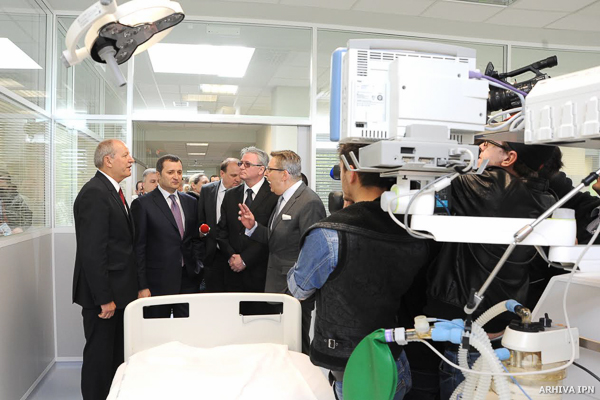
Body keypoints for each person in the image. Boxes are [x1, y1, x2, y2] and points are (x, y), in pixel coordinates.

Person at [287, 143, 431, 400]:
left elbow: (299, 289)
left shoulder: (330, 233)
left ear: (351, 172)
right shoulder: (413, 229)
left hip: (356, 372)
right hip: (396, 360)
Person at [420, 140, 557, 399]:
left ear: (509, 158)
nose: (480, 146)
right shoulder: (545, 196)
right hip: (502, 316)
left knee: (463, 389)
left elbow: (434, 173)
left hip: (465, 315)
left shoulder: (489, 184)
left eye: (488, 143)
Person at [238, 150, 326, 354]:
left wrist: (300, 291)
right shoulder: (283, 198)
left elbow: (314, 252)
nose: (266, 174)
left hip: (294, 291)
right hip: (277, 285)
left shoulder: (309, 202)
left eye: (270, 170)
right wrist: (253, 227)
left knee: (297, 345)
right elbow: (277, 239)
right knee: (282, 344)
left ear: (284, 174)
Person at [72, 139, 138, 400]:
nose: (131, 160)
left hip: (117, 293)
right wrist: (104, 298)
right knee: (99, 361)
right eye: (126, 155)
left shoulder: (112, 191)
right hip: (104, 297)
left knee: (114, 359)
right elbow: (92, 252)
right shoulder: (95, 193)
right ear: (108, 160)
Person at [131, 155, 204, 318]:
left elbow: (194, 239)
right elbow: (139, 247)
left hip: (188, 279)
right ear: (158, 175)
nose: (176, 176)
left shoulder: (190, 202)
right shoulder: (143, 204)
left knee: (187, 327)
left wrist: (198, 265)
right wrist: (142, 285)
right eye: (170, 172)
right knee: (157, 328)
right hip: (157, 282)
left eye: (179, 172)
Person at [216, 147, 278, 292]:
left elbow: (273, 235)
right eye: (241, 163)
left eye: (247, 164)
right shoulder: (231, 195)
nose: (241, 167)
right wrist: (231, 256)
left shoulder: (274, 195)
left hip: (260, 272)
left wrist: (245, 259)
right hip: (231, 272)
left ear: (261, 169)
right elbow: (222, 231)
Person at [197, 158, 241, 292]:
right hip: (213, 253)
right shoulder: (207, 190)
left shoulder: (243, 192)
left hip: (236, 255)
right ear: (222, 173)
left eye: (240, 175)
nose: (238, 179)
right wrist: (202, 232)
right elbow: (201, 218)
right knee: (214, 295)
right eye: (233, 175)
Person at [0, 170, 32, 235]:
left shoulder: (18, 198)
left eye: (2, 179)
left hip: (15, 233)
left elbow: (28, 216)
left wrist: (21, 228)